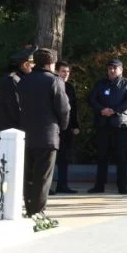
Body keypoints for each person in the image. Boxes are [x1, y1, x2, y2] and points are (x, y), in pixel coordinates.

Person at [17, 49, 70, 218]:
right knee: (43, 177)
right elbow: (63, 108)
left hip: (26, 134)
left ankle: (29, 206)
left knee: (28, 175)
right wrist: (63, 126)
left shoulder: (24, 80)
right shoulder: (55, 81)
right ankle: (37, 211)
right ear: (50, 64)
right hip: (47, 135)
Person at [87, 60, 127, 194]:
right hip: (103, 124)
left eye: (115, 68)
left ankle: (122, 186)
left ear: (121, 69)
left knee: (121, 156)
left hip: (120, 124)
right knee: (101, 156)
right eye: (110, 68)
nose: (112, 70)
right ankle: (99, 186)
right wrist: (101, 109)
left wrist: (114, 110)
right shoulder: (100, 83)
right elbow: (92, 99)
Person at [51, 61, 80, 194]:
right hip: (53, 126)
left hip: (67, 127)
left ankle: (63, 184)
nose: (66, 74)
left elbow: (73, 109)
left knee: (64, 158)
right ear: (56, 71)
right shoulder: (52, 84)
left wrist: (75, 125)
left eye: (68, 72)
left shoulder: (70, 87)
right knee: (51, 158)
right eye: (63, 71)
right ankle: (48, 186)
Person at [0, 46, 35, 131]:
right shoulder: (11, 80)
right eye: (32, 63)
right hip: (13, 129)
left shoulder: (25, 78)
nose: (34, 66)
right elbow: (15, 108)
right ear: (25, 64)